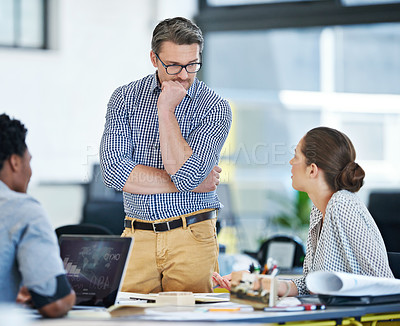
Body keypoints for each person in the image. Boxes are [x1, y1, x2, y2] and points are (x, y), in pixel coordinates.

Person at [100, 17, 232, 293]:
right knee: (127, 319)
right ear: (154, 58)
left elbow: (186, 175)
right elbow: (113, 172)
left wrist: (165, 110)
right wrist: (195, 183)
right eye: (173, 65)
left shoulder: (215, 108)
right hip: (137, 236)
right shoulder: (124, 99)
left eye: (192, 65)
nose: (183, 75)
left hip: (192, 237)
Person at [213, 126, 394, 296]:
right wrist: (254, 282)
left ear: (312, 169)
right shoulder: (319, 211)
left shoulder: (342, 203)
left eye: (296, 156)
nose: (291, 162)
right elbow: (308, 284)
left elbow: (383, 282)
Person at [0, 113, 75, 317]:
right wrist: (68, 296)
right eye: (28, 161)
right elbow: (55, 304)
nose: (30, 172)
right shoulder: (22, 209)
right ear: (15, 162)